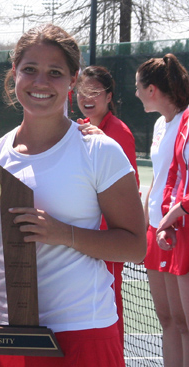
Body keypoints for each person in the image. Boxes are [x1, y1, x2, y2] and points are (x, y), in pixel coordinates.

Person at [0, 24, 146, 367]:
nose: (40, 82)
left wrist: (64, 234)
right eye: (29, 69)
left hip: (80, 333)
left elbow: (135, 246)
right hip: (7, 335)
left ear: (73, 80)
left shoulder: (99, 151)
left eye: (55, 72)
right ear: (14, 72)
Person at [76, 65, 140, 348]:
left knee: (109, 310)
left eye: (94, 92)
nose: (87, 97)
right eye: (81, 91)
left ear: (109, 96)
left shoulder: (117, 132)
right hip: (84, 237)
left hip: (107, 241)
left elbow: (128, 189)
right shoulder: (79, 128)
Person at [139, 54, 189, 367]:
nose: (135, 93)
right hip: (155, 230)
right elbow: (159, 179)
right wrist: (144, 222)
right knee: (168, 320)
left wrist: (180, 210)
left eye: (138, 87)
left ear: (153, 89)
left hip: (181, 231)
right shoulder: (160, 125)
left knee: (186, 324)